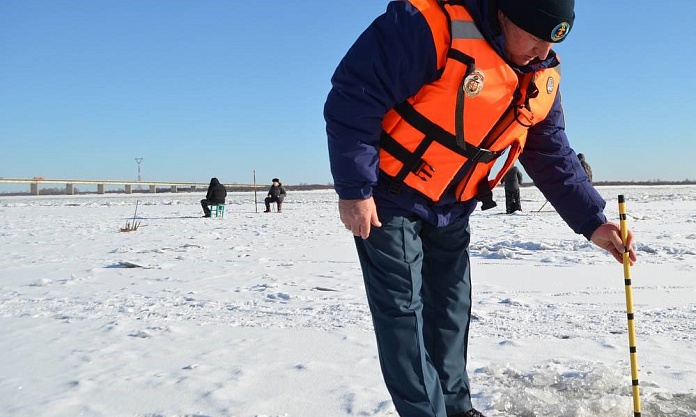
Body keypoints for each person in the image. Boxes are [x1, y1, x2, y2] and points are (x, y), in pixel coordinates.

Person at [324, 1, 636, 416]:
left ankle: (456, 407)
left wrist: (593, 222)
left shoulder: (540, 75)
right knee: (403, 314)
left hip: (454, 203)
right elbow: (354, 95)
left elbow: (550, 153)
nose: (544, 52)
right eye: (537, 36)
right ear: (507, 11)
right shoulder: (427, 26)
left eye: (553, 41)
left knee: (451, 310)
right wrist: (354, 189)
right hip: (389, 195)